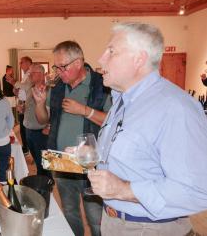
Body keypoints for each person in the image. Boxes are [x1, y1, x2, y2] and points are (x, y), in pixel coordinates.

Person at [88, 22, 207, 236]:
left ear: (139, 59)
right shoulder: (122, 100)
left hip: (150, 228)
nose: (100, 59)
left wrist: (123, 190)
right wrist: (90, 155)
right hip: (112, 222)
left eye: (111, 51)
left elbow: (197, 190)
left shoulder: (175, 107)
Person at [32, 41, 108, 236]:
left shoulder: (102, 84)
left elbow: (113, 122)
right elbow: (43, 120)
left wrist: (84, 110)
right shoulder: (57, 86)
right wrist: (40, 104)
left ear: (79, 62)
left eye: (62, 66)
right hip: (62, 162)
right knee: (70, 213)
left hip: (93, 163)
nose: (58, 71)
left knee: (96, 219)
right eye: (56, 66)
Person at [23, 63, 51, 178]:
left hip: (41, 132)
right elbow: (29, 105)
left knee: (44, 164)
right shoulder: (31, 88)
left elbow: (53, 110)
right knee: (36, 159)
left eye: (31, 73)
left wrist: (49, 125)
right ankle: (41, 180)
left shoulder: (48, 90)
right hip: (29, 130)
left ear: (40, 75)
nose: (29, 76)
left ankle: (44, 184)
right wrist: (23, 108)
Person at [14, 56, 32, 156]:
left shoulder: (30, 74)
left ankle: (26, 148)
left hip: (26, 104)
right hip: (22, 102)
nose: (20, 64)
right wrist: (17, 92)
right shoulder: (25, 74)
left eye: (22, 62)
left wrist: (14, 83)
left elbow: (26, 87)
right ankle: (25, 147)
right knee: (22, 126)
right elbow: (23, 89)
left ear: (28, 63)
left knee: (24, 127)